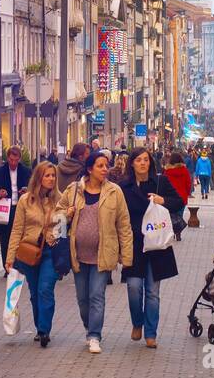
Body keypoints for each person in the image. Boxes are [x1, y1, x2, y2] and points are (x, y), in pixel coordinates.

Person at [57, 150, 133, 353]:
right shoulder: (74, 190)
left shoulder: (114, 192)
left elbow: (124, 225)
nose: (105, 169)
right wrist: (67, 213)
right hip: (78, 255)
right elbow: (57, 215)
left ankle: (94, 335)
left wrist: (126, 255)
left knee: (97, 295)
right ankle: (88, 327)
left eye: (106, 165)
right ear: (89, 169)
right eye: (100, 166)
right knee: (83, 299)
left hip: (103, 253)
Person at [119, 147, 180, 349]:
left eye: (146, 160)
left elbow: (179, 201)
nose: (143, 163)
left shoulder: (160, 182)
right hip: (134, 244)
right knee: (134, 287)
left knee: (152, 292)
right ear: (132, 164)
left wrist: (163, 201)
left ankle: (151, 333)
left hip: (157, 245)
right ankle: (137, 322)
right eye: (138, 160)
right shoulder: (124, 186)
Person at [4, 160, 62, 347]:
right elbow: (17, 229)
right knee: (35, 292)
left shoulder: (60, 200)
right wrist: (10, 257)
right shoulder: (25, 200)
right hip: (29, 251)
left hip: (51, 251)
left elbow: (64, 228)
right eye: (47, 175)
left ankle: (44, 330)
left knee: (45, 289)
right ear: (39, 177)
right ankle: (39, 327)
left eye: (53, 175)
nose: (51, 179)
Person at [0, 146, 32, 266]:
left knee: (20, 236)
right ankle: (6, 265)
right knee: (5, 238)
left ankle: (19, 264)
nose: (13, 163)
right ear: (7, 158)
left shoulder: (26, 171)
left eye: (16, 160)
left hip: (21, 207)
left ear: (19, 159)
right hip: (6, 208)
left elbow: (33, 187)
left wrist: (27, 191)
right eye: (11, 160)